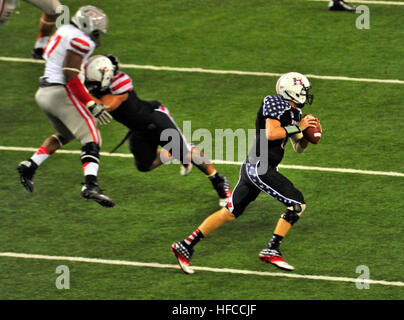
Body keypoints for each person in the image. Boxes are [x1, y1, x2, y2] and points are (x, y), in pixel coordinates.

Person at [171, 72, 320, 274]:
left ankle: (186, 245)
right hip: (260, 166)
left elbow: (298, 148)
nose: (306, 94)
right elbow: (271, 133)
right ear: (292, 91)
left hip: (259, 166)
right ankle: (272, 249)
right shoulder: (274, 102)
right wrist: (298, 127)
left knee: (229, 213)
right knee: (297, 204)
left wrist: (308, 136)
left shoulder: (295, 113)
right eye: (303, 90)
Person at [82, 54, 232, 207]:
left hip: (156, 120)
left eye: (92, 83)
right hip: (138, 130)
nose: (90, 86)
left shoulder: (120, 82)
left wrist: (80, 92)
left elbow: (108, 105)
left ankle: (219, 181)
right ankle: (173, 153)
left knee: (187, 153)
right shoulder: (101, 84)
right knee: (144, 165)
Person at [16, 5, 115, 208]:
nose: (96, 37)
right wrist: (89, 102)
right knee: (92, 135)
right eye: (96, 31)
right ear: (88, 26)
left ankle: (30, 164)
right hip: (60, 92)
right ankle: (90, 185)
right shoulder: (82, 40)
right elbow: (70, 73)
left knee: (68, 133)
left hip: (44, 93)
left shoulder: (64, 31)